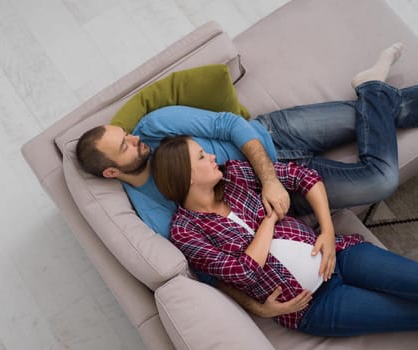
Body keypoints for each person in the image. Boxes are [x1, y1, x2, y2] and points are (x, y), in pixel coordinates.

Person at [76, 43, 418, 318]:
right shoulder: (153, 211)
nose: (134, 138)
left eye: (125, 134)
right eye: (125, 145)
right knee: (380, 180)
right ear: (112, 171)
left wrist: (269, 177)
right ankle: (373, 88)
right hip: (271, 198)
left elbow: (228, 124)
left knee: (392, 112)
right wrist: (258, 307)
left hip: (271, 137)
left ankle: (372, 87)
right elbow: (210, 264)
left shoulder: (154, 126)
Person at [151, 134, 418, 335]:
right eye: (201, 156)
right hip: (312, 307)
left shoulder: (234, 175)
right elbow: (244, 271)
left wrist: (326, 231)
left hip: (339, 253)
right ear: (185, 176)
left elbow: (305, 177)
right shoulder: (185, 232)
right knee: (408, 315)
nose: (211, 156)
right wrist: (270, 220)